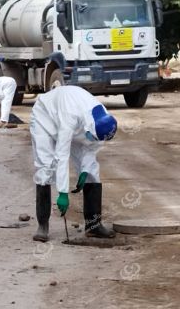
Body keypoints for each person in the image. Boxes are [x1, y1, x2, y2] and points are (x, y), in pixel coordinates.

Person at [30, 86, 118, 242]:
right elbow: (62, 154)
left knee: (93, 173)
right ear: (89, 126)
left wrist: (85, 169)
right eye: (92, 135)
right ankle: (42, 225)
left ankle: (93, 225)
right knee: (45, 167)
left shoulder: (103, 121)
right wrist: (63, 192)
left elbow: (91, 146)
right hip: (45, 117)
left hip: (77, 126)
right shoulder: (71, 114)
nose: (93, 138)